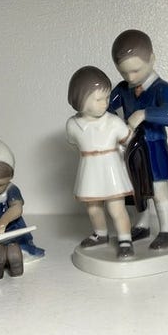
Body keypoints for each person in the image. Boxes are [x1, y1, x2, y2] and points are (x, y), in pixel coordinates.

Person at [109, 29, 168, 249]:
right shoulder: (123, 89)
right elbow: (106, 107)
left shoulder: (162, 89)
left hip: (153, 147)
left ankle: (167, 231)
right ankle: (142, 225)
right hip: (131, 148)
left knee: (159, 191)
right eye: (124, 72)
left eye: (136, 70)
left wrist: (144, 114)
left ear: (152, 59)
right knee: (135, 190)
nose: (131, 78)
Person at [67, 66, 134, 258]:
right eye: (98, 99)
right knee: (93, 207)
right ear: (80, 99)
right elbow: (74, 146)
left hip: (111, 169)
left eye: (107, 97)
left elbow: (129, 140)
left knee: (116, 207)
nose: (105, 103)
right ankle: (100, 233)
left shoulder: (113, 122)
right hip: (89, 170)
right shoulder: (73, 125)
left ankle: (125, 239)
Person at [0, 138, 44, 279]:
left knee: (13, 242)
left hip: (8, 228)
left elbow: (17, 208)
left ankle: (11, 253)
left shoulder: (11, 189)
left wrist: (3, 221)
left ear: (10, 178)